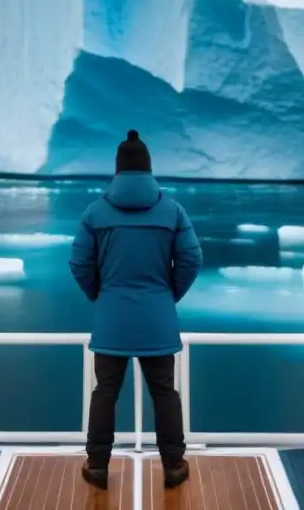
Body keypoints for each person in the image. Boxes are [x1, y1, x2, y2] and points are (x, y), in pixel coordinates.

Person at [69, 129, 203, 491]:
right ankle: (174, 465)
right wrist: (167, 295)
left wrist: (103, 295)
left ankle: (97, 466)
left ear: (118, 169)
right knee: (165, 393)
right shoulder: (172, 210)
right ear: (148, 168)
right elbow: (191, 258)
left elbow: (79, 262)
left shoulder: (96, 212)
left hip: (112, 319)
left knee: (105, 392)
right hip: (157, 319)